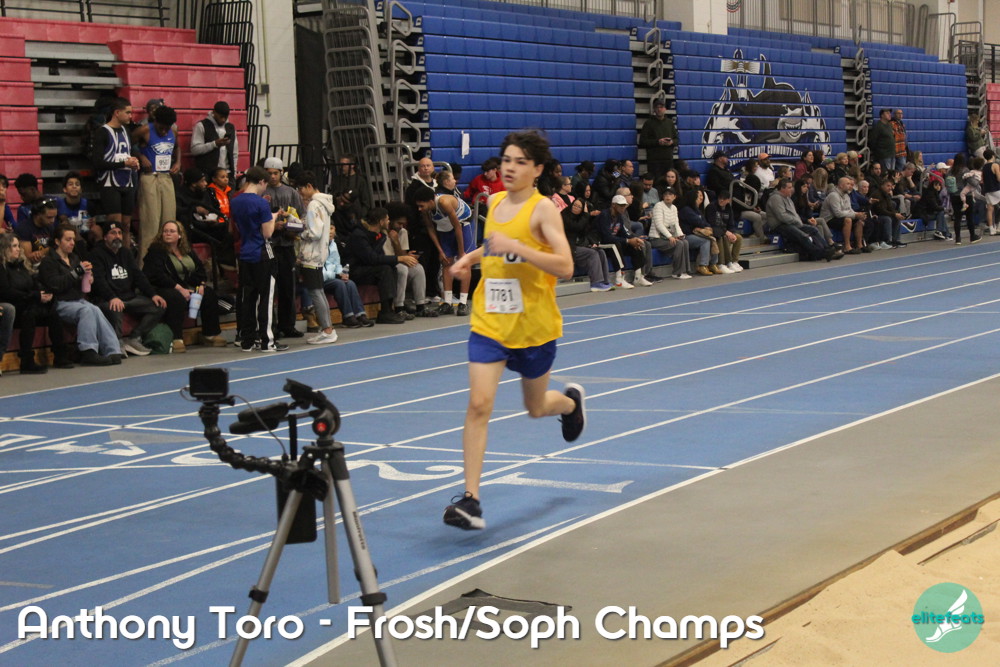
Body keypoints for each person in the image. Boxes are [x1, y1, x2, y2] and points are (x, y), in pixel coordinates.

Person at [442, 131, 585, 531]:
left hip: (533, 325)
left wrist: (519, 248)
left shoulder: (543, 211)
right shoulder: (494, 201)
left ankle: (570, 405)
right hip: (490, 320)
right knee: (478, 404)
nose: (510, 167)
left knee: (535, 408)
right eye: (506, 159)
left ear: (537, 170)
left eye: (521, 161)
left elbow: (565, 266)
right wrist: (468, 259)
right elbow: (495, 246)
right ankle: (470, 500)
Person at [38, 224, 122, 365]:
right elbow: (56, 285)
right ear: (57, 241)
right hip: (59, 302)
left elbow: (80, 284)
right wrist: (77, 272)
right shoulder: (48, 261)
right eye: (68, 239)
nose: (72, 243)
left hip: (77, 299)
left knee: (95, 309)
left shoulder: (74, 258)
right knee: (86, 311)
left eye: (73, 239)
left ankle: (113, 349)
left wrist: (87, 278)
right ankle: (88, 351)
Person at [142, 220, 227, 351]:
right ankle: (176, 338)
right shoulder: (156, 251)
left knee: (208, 293)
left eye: (172, 231)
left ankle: (210, 334)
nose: (168, 233)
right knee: (176, 298)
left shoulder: (187, 251)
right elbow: (157, 275)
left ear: (180, 235)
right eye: (165, 231)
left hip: (187, 286)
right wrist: (179, 288)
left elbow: (200, 270)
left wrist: (201, 285)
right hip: (164, 288)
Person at [90, 219, 167, 355]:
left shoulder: (126, 252)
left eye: (120, 233)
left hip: (129, 297)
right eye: (113, 233)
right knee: (114, 308)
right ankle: (116, 342)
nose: (117, 236)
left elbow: (138, 276)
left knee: (158, 306)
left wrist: (153, 294)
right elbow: (99, 281)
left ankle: (134, 338)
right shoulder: (96, 254)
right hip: (107, 299)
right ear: (105, 237)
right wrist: (112, 297)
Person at [232, 165, 287, 352]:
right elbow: (267, 233)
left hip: (245, 252)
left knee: (248, 297)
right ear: (262, 181)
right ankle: (267, 341)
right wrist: (273, 216)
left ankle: (247, 340)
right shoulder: (261, 203)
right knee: (266, 298)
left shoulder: (235, 201)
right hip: (262, 252)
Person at [0, 231, 72, 373]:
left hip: (28, 302)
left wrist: (43, 294)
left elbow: (33, 284)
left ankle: (60, 355)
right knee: (30, 314)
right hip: (13, 306)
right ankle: (26, 361)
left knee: (52, 311)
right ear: (4, 248)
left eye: (18, 246)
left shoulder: (22, 265)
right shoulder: (2, 268)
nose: (18, 249)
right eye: (14, 246)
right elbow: (7, 292)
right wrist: (34, 296)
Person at [262, 157, 306, 338]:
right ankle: (271, 327)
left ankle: (288, 325)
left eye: (275, 173)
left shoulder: (291, 192)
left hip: (287, 245)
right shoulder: (262, 192)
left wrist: (289, 227)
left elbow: (301, 218)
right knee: (270, 289)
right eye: (269, 173)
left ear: (281, 173)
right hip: (269, 246)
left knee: (288, 288)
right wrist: (274, 226)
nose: (272, 176)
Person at [294, 171, 339, 344]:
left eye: (300, 189)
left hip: (311, 255)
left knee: (316, 292)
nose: (300, 193)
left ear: (309, 186)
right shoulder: (324, 203)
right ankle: (328, 328)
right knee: (318, 291)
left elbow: (314, 232)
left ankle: (327, 330)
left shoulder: (313, 204)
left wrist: (300, 232)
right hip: (319, 253)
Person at [91, 97, 140, 249]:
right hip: (109, 182)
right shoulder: (102, 132)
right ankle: (112, 255)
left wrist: (134, 161)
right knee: (114, 224)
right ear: (117, 113)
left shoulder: (126, 131)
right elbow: (97, 163)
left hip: (127, 180)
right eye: (128, 112)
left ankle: (125, 257)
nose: (131, 116)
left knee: (126, 224)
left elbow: (126, 153)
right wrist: (124, 163)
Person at [135, 104, 180, 260]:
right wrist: (141, 156)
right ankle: (145, 263)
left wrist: (178, 162)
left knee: (169, 221)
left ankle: (168, 260)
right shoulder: (145, 130)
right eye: (161, 128)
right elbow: (128, 145)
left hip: (166, 177)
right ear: (155, 121)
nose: (164, 131)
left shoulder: (173, 131)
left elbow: (177, 147)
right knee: (150, 223)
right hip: (150, 177)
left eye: (167, 128)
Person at [427, 170, 474, 315]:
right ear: (446, 182)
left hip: (462, 224)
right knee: (446, 262)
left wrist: (461, 252)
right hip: (446, 227)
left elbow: (457, 227)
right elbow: (431, 228)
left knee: (464, 262)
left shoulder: (444, 201)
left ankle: (463, 303)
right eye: (453, 179)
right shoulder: (426, 206)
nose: (455, 181)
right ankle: (447, 302)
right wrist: (441, 251)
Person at [766, 178, 842, 261]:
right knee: (803, 236)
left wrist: (798, 221)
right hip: (780, 225)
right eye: (789, 187)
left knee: (813, 230)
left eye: (791, 187)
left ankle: (827, 249)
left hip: (792, 223)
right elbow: (782, 216)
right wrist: (796, 221)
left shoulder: (787, 198)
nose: (792, 189)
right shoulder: (775, 198)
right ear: (782, 188)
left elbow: (794, 214)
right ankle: (821, 253)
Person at [321, 223, 373, 328]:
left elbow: (337, 264)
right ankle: (348, 317)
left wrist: (343, 273)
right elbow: (319, 270)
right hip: (322, 279)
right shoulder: (318, 246)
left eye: (332, 228)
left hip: (334, 277)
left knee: (350, 283)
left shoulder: (334, 244)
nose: (330, 232)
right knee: (339, 284)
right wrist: (337, 275)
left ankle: (360, 315)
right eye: (327, 229)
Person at [597, 194, 654, 287]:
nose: (623, 207)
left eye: (624, 205)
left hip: (613, 241)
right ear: (613, 205)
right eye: (620, 205)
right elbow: (606, 237)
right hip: (601, 243)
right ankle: (619, 279)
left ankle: (638, 277)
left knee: (634, 245)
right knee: (615, 245)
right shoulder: (604, 215)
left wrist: (634, 239)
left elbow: (624, 232)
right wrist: (628, 241)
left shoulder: (619, 216)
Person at [561, 197, 612, 291]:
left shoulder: (582, 218)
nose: (575, 208)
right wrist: (586, 215)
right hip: (568, 248)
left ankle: (605, 281)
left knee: (600, 251)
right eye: (575, 205)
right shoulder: (564, 215)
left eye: (579, 207)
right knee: (592, 253)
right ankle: (596, 283)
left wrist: (593, 243)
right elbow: (576, 226)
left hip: (579, 245)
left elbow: (587, 232)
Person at [649, 187, 692, 279]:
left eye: (670, 194)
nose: (667, 196)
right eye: (665, 194)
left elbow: (676, 224)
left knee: (684, 242)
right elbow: (659, 224)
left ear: (674, 197)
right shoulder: (658, 206)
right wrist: (670, 236)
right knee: (679, 244)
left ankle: (685, 270)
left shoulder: (674, 208)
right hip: (656, 238)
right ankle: (677, 273)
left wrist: (680, 235)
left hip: (667, 238)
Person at [678, 189, 723, 275]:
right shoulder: (686, 210)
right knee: (705, 241)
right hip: (687, 235)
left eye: (701, 197)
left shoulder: (697, 210)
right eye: (698, 197)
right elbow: (698, 222)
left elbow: (704, 222)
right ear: (692, 198)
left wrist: (708, 227)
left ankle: (713, 264)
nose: (700, 199)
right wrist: (704, 227)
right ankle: (702, 265)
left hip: (697, 234)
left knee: (712, 238)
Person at [191, 101, 237, 179]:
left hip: (227, 174)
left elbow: (234, 153)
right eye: (221, 117)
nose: (223, 120)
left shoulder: (230, 128)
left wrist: (234, 174)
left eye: (225, 117)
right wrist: (214, 144)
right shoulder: (201, 126)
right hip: (208, 175)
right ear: (214, 112)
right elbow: (194, 150)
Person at [639, 98, 678, 179]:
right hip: (654, 161)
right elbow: (642, 141)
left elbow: (676, 139)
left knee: (668, 181)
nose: (659, 109)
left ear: (665, 109)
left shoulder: (670, 122)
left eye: (661, 107)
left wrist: (671, 142)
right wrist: (658, 142)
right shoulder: (648, 123)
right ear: (654, 109)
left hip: (668, 159)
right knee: (656, 181)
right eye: (657, 107)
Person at [705, 190, 744, 273]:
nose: (721, 200)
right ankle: (722, 263)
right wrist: (726, 232)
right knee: (723, 237)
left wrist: (732, 233)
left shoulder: (729, 208)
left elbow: (731, 224)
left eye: (724, 199)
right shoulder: (711, 207)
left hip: (726, 231)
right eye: (720, 198)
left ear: (728, 200)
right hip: (715, 231)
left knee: (739, 238)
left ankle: (734, 261)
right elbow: (712, 224)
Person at [56, 172, 92, 241]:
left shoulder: (89, 204)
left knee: (96, 229)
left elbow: (92, 225)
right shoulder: (59, 205)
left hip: (85, 237)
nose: (74, 186)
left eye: (77, 184)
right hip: (65, 239)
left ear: (81, 189)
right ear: (64, 189)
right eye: (70, 184)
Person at [869, 108, 896, 173]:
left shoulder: (889, 125)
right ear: (882, 115)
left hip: (892, 153)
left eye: (890, 113)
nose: (889, 115)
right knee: (886, 173)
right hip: (884, 154)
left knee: (891, 173)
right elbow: (873, 140)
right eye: (887, 113)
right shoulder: (878, 126)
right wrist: (879, 151)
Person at [982, 149, 1000, 236]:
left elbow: (983, 180)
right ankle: (999, 226)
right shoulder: (995, 165)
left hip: (987, 190)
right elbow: (999, 178)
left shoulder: (984, 167)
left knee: (990, 209)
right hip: (996, 189)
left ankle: (991, 230)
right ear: (993, 156)